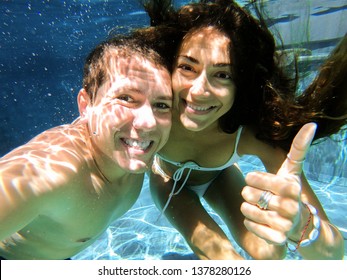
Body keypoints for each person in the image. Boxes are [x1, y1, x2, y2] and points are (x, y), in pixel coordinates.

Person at [139, 0, 346, 259]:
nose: (199, 91)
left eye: (223, 75)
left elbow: (335, 255)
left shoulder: (248, 134)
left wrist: (299, 225)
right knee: (226, 261)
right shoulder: (155, 112)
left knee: (272, 254)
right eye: (187, 67)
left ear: (241, 84)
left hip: (219, 178)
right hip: (168, 182)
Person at [0, 33, 173, 259]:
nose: (149, 122)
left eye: (161, 104)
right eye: (126, 98)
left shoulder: (145, 148)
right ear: (86, 105)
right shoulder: (51, 173)